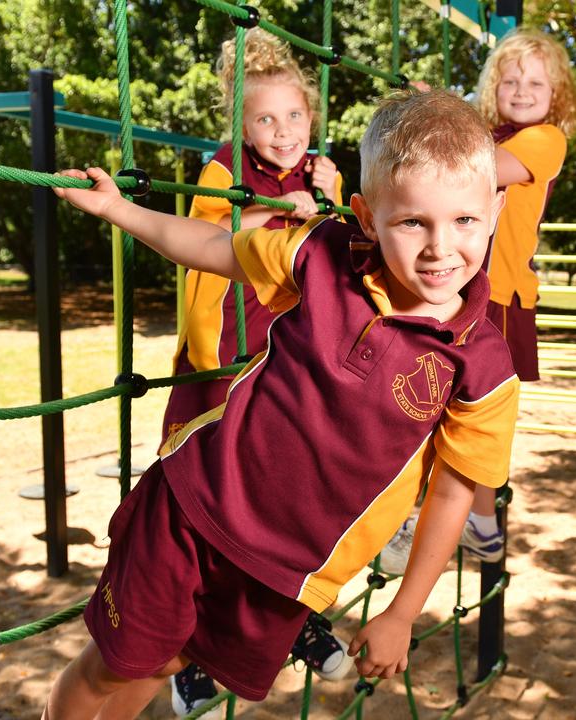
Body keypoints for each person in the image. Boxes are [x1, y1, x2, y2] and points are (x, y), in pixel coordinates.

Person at [42, 89, 520, 719]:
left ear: (495, 209)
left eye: (463, 221)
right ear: (368, 216)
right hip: (198, 504)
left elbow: (457, 492)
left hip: (287, 572)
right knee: (117, 661)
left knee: (168, 662)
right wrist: (118, 209)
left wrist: (403, 612)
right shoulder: (323, 253)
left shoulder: (483, 364)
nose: (439, 248)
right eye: (413, 222)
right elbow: (212, 249)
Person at [163, 28, 348, 714]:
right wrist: (277, 211)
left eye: (294, 116)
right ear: (242, 125)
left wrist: (331, 195)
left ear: (312, 119)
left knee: (285, 501)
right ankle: (186, 657)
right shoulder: (221, 168)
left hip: (290, 368)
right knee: (201, 507)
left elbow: (342, 253)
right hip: (224, 363)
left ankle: (290, 621)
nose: (282, 131)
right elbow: (210, 238)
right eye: (265, 119)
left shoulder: (318, 172)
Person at [379, 28, 576, 574]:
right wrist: (437, 112)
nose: (521, 90)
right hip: (461, 286)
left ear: (557, 96)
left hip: (499, 296)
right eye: (510, 79)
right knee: (425, 398)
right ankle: (466, 522)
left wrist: (439, 119)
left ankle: (467, 520)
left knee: (468, 413)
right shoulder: (487, 132)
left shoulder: (545, 139)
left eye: (536, 82)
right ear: (494, 86)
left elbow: (482, 167)